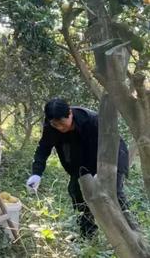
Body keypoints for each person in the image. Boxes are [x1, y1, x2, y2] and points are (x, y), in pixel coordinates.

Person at [26, 98, 132, 238]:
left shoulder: (92, 121)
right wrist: (36, 173)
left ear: (70, 113)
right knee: (77, 191)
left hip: (112, 158)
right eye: (55, 124)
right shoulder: (51, 127)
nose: (60, 128)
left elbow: (110, 147)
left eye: (62, 123)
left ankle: (129, 231)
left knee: (113, 194)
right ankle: (88, 234)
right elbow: (43, 148)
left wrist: (102, 172)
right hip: (81, 162)